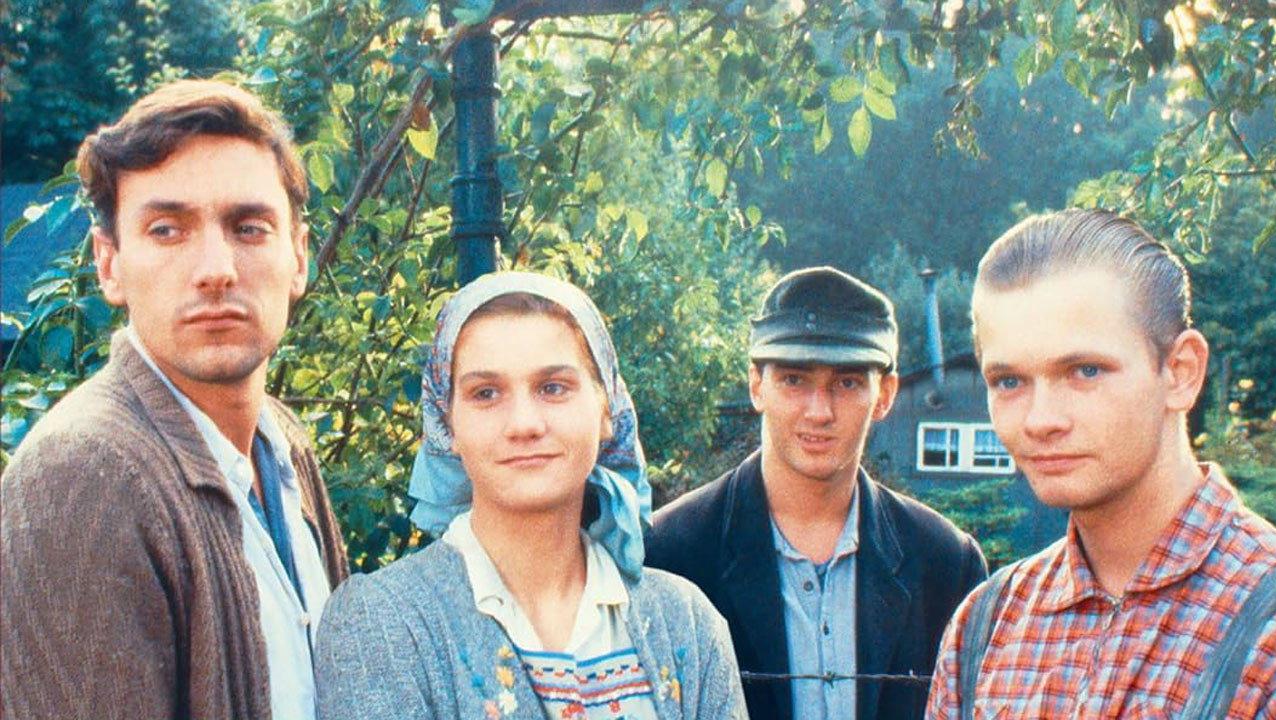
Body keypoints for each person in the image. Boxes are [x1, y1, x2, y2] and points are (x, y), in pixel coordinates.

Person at [0, 80, 348, 720]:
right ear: (109, 264)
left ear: (298, 257)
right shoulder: (82, 477)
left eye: (249, 228)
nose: (216, 269)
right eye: (167, 230)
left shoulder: (282, 442)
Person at [314, 271, 747, 720]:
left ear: (607, 410)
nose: (523, 423)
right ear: (447, 426)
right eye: (486, 393)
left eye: (553, 388)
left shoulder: (686, 624)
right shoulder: (384, 622)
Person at [926, 209, 1276, 719]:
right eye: (1009, 382)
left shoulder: (1267, 629)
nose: (1041, 420)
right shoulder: (983, 629)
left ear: (1180, 372)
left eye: (1085, 371)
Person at [647, 267, 988, 720]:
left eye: (847, 383)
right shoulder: (670, 554)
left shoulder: (946, 563)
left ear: (885, 394)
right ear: (756, 385)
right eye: (794, 379)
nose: (819, 411)